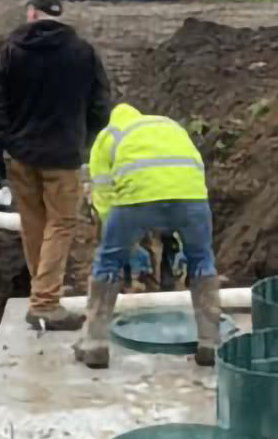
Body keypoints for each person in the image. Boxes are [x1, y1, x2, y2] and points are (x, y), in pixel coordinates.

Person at [0, 0, 112, 331]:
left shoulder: (12, 51)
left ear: (31, 13)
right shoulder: (82, 52)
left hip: (21, 155)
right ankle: (44, 302)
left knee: (34, 225)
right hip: (62, 156)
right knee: (62, 224)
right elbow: (101, 107)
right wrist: (83, 140)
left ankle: (40, 294)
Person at [76, 103, 221, 370]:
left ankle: (94, 343)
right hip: (192, 197)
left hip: (137, 200)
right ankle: (210, 343)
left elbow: (104, 196)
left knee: (107, 262)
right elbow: (189, 170)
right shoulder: (167, 124)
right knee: (202, 259)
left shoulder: (108, 136)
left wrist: (122, 243)